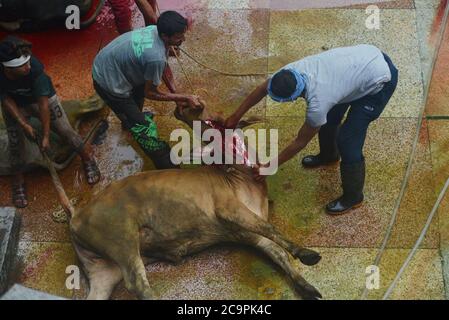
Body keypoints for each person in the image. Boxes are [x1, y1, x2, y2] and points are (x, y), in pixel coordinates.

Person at [224, 44, 399, 215]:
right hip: (363, 60)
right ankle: (329, 156)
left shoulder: (318, 103)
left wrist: (269, 167)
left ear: (293, 98)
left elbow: (300, 141)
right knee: (329, 119)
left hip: (380, 81)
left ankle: (353, 197)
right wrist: (236, 116)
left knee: (347, 140)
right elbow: (262, 89)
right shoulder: (289, 72)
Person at [92, 10, 202, 169]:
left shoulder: (154, 30)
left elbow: (161, 64)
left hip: (112, 66)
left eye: (183, 35)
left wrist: (177, 96)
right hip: (108, 83)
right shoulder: (155, 57)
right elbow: (150, 93)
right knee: (144, 128)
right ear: (165, 36)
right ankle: (164, 162)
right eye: (179, 37)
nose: (183, 40)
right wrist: (184, 97)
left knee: (137, 99)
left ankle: (128, 120)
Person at [0, 36, 101, 208]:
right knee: (16, 144)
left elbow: (43, 105)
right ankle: (18, 182)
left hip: (41, 100)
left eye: (28, 62)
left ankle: (88, 159)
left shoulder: (35, 70)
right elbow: (5, 98)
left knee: (66, 131)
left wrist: (46, 135)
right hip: (15, 104)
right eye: (22, 66)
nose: (28, 67)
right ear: (8, 69)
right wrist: (23, 124)